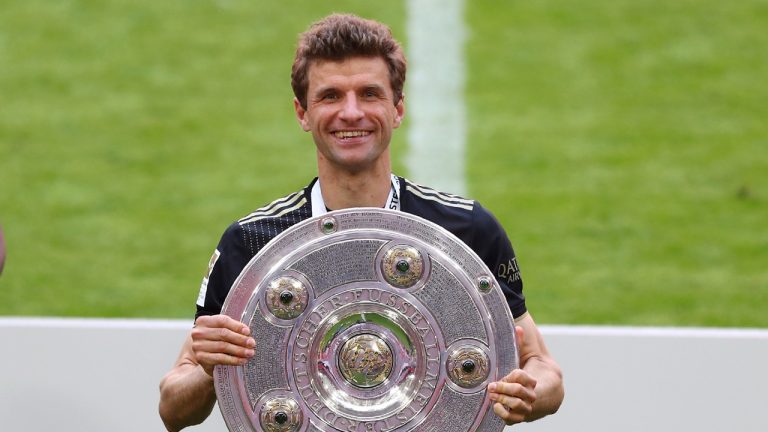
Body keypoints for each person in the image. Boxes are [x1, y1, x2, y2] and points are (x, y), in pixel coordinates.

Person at [159, 13, 563, 431]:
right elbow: (173, 408)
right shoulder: (252, 242)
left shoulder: (466, 230)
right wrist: (209, 370)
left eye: (369, 94)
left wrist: (528, 392)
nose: (351, 113)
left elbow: (543, 369)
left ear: (397, 108)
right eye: (330, 96)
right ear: (302, 112)